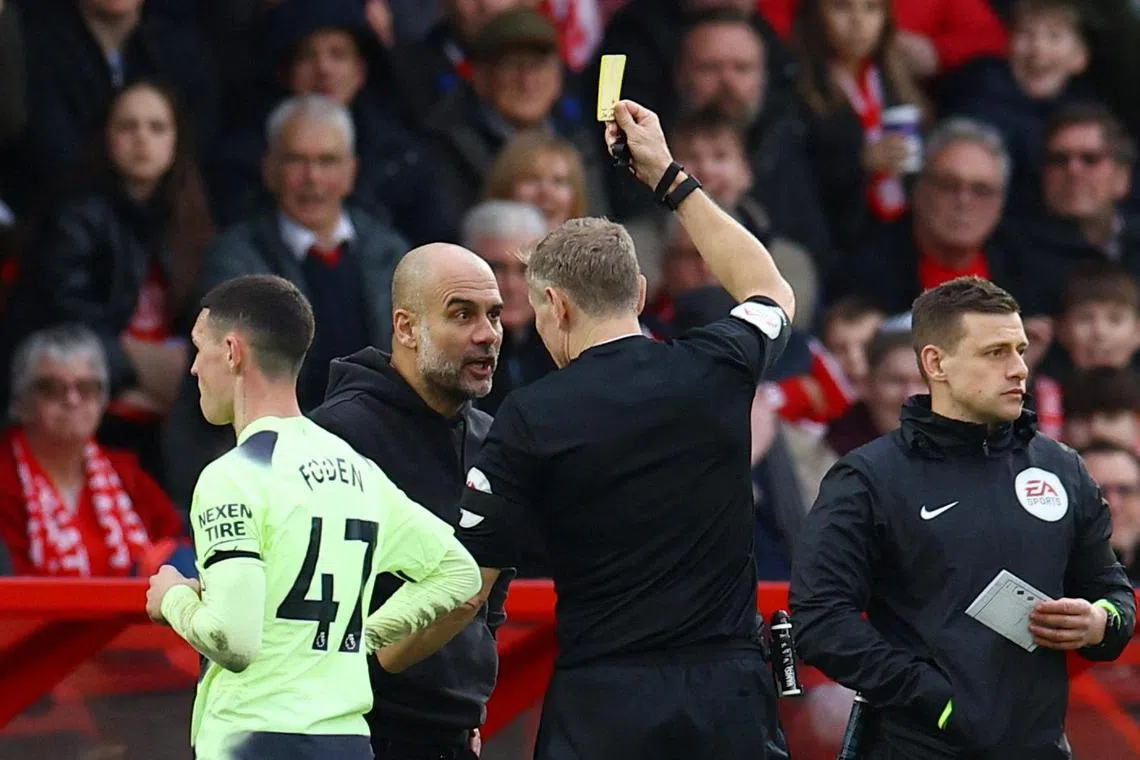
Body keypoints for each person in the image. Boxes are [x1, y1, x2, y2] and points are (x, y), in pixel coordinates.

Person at [457, 98, 796, 759]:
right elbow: (770, 287)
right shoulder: (719, 364)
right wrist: (670, 177)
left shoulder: (530, 416)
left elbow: (470, 588)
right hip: (729, 700)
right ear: (639, 294)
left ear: (552, 304)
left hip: (605, 708)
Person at [789, 276, 1137, 759]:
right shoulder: (869, 477)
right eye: (996, 352)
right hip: (913, 747)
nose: (1019, 368)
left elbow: (1113, 591)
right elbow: (820, 619)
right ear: (936, 363)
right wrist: (933, 699)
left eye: (1020, 349)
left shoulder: (1062, 469)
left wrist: (1102, 622)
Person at [144, 274, 482, 760]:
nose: (194, 368)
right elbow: (459, 575)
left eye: (201, 348)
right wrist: (360, 637)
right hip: (345, 740)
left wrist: (173, 596)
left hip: (254, 739)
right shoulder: (359, 471)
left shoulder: (233, 476)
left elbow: (231, 640)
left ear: (234, 352)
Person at [309, 243, 509, 759]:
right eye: (461, 314)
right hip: (356, 735)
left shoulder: (495, 441)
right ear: (405, 328)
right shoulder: (335, 438)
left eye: (494, 314)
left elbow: (490, 600)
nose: (486, 334)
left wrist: (469, 708)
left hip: (451, 735)